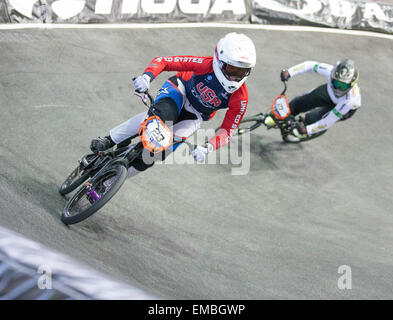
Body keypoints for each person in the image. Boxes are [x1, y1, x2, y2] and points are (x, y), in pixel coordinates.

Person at [90, 32, 256, 178]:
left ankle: (109, 182)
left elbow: (228, 130)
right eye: (232, 69)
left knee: (154, 156)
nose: (236, 77)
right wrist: (147, 77)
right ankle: (109, 140)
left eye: (242, 72)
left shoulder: (240, 98)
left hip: (196, 115)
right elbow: (164, 61)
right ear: (219, 61)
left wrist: (208, 147)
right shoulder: (204, 64)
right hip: (179, 90)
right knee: (161, 119)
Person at [280, 59, 361, 137]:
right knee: (300, 102)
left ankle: (308, 128)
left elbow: (329, 120)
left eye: (343, 86)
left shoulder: (350, 101)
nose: (338, 88)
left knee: (312, 118)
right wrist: (289, 72)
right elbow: (310, 65)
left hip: (345, 108)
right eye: (336, 83)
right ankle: (282, 115)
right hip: (330, 93)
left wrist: (307, 130)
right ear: (332, 77)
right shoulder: (330, 71)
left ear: (351, 85)